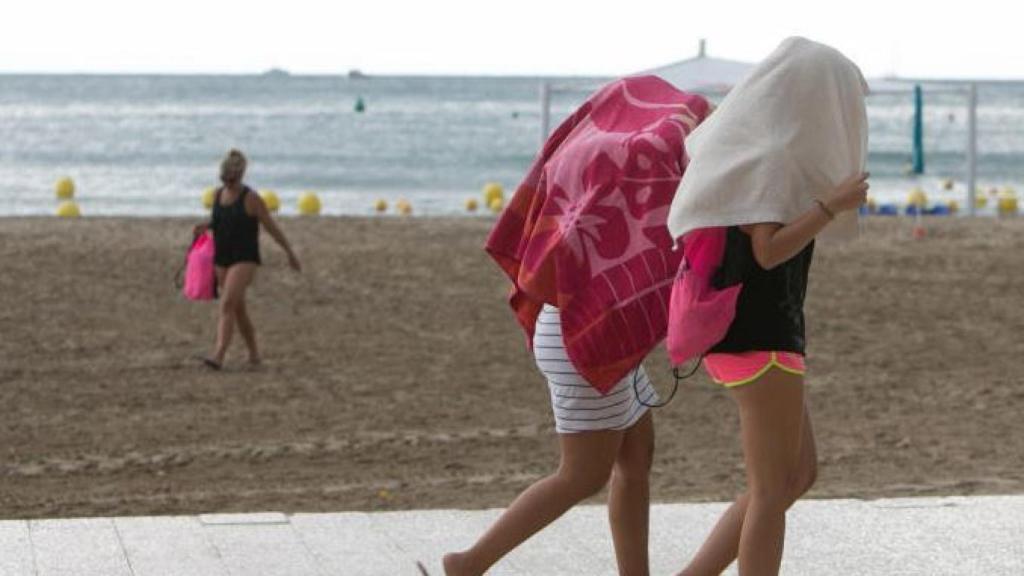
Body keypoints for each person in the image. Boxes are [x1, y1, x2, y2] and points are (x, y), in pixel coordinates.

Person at [443, 75, 712, 576]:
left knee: (636, 458)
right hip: (581, 338)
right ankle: (468, 563)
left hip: (588, 332)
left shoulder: (608, 183)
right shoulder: (637, 187)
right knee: (581, 474)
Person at [665, 38, 870, 575]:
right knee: (771, 489)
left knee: (798, 475)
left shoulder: (756, 144)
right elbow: (769, 248)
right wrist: (832, 205)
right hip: (761, 336)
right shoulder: (774, 155)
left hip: (750, 334)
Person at [193, 149, 301, 370]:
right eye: (224, 179)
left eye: (232, 180)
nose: (228, 183)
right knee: (237, 308)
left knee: (226, 304)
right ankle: (254, 354)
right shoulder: (216, 195)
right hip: (222, 256)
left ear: (240, 176)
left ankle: (218, 355)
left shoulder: (251, 199)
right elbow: (221, 221)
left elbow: (271, 228)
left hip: (245, 257)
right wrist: (206, 226)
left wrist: (289, 252)